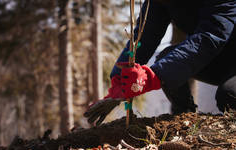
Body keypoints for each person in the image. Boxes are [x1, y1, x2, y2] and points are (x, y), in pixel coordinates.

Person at [84, 0, 236, 125]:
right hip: (221, 60)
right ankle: (184, 119)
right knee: (166, 57)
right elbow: (144, 38)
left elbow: (209, 37)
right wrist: (118, 85)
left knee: (229, 96)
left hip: (218, 52)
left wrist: (151, 77)